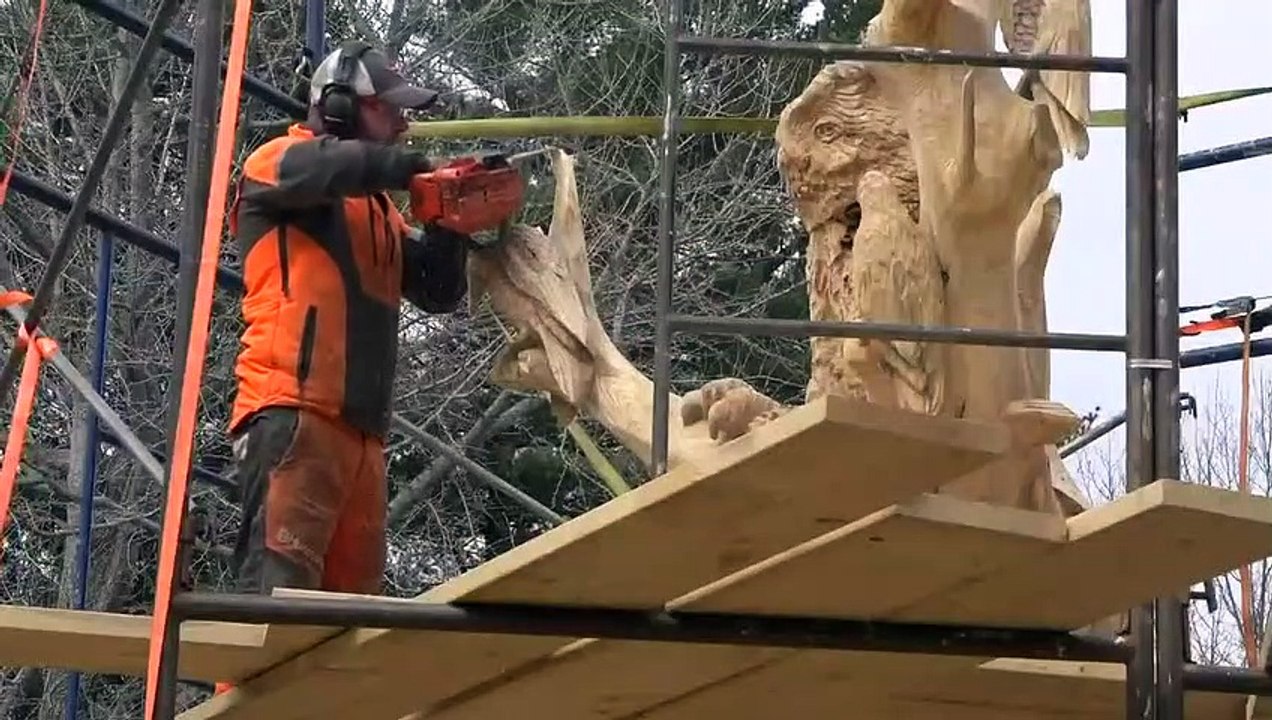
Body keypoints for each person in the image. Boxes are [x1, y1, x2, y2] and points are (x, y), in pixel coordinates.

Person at [225, 40, 469, 601]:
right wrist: (415, 172)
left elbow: (438, 291)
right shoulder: (277, 163)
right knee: (275, 610)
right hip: (292, 410)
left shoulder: (377, 210)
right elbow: (339, 166)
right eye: (390, 107)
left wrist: (450, 222)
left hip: (362, 438)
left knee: (350, 626)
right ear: (337, 105)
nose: (404, 122)